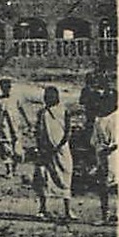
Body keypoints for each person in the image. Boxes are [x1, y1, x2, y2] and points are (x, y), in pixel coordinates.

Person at [33, 85, 74, 222]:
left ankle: (68, 210)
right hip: (45, 151)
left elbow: (68, 131)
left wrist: (59, 146)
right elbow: (38, 131)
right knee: (44, 178)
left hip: (61, 151)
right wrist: (40, 147)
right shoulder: (42, 113)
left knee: (65, 178)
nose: (46, 98)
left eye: (49, 96)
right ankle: (43, 209)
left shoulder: (64, 111)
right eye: (45, 96)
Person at [0, 78, 28, 177]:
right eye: (5, 87)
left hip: (15, 127)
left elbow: (22, 110)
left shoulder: (16, 98)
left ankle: (14, 169)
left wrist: (27, 122)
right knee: (5, 149)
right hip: (3, 128)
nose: (7, 89)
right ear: (1, 88)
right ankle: (9, 170)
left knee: (17, 150)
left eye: (9, 87)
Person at [89, 87, 118, 224]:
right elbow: (94, 141)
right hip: (102, 157)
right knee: (103, 187)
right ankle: (105, 215)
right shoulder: (98, 119)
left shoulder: (118, 117)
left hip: (116, 157)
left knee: (117, 186)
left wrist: (111, 148)